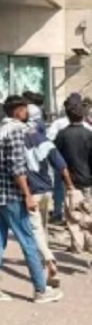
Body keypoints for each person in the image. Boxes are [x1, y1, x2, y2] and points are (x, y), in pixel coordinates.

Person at [0, 95, 62, 303]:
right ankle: (40, 289)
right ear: (17, 111)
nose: (27, 112)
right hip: (12, 195)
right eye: (24, 109)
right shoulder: (16, 131)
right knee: (28, 241)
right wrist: (27, 195)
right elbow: (17, 167)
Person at [23, 106, 74, 287]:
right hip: (47, 191)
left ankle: (48, 259)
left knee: (35, 229)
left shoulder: (18, 140)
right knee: (42, 227)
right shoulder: (45, 141)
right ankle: (43, 259)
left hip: (32, 192)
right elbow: (61, 166)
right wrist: (70, 186)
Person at [47, 93, 92, 224]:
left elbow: (53, 150)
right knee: (86, 203)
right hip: (86, 174)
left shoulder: (61, 130)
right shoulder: (88, 130)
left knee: (68, 202)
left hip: (66, 173)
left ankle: (60, 215)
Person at [54, 101, 92, 253]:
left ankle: (76, 244)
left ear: (68, 116)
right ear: (83, 116)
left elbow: (56, 157)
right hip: (88, 178)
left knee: (72, 213)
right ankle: (90, 243)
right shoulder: (89, 134)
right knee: (88, 211)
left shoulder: (62, 135)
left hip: (69, 179)